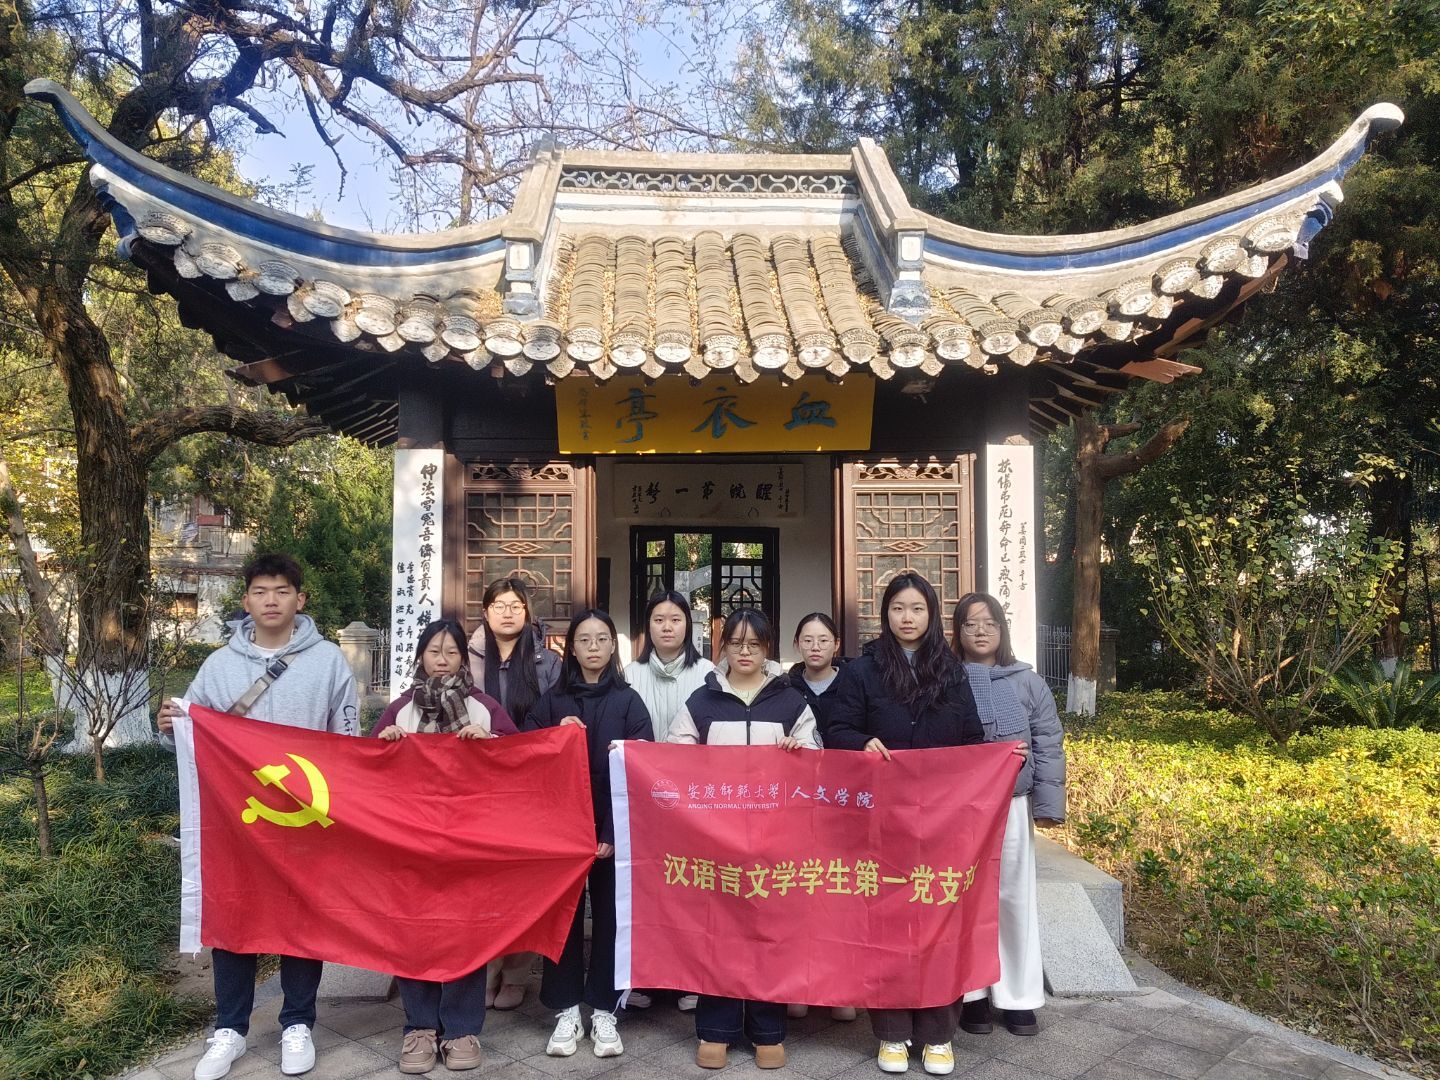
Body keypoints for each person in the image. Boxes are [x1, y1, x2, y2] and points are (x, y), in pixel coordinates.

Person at [156, 553, 358, 1080]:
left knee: (301, 914)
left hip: (305, 815)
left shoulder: (329, 661)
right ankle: (230, 1029)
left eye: (282, 590)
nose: (272, 600)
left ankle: (298, 1023)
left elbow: (347, 740)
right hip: (236, 819)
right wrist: (171, 725)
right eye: (262, 591)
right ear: (246, 601)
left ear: (300, 599)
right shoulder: (219, 666)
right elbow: (191, 732)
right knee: (235, 912)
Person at [824, 571, 990, 1078]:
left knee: (940, 923)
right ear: (886, 615)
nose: (907, 618)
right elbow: (836, 728)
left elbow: (972, 739)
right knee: (887, 924)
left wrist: (1002, 761)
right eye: (898, 609)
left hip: (942, 821)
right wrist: (861, 743)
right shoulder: (862, 670)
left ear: (932, 614)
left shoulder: (952, 670)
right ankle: (892, 1032)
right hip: (881, 820)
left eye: (917, 609)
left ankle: (939, 1034)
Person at [668, 608, 818, 1070]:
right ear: (724, 647)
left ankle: (768, 1031)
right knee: (718, 934)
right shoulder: (702, 701)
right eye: (736, 643)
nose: (745, 652)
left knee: (769, 933)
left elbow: (818, 763)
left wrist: (799, 751)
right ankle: (716, 1029)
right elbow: (673, 759)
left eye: (754, 644)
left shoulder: (790, 702)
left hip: (775, 841)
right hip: (717, 840)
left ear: (767, 648)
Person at [372, 619, 518, 1074]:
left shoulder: (483, 707)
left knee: (464, 934)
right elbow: (365, 773)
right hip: (410, 844)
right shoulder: (401, 710)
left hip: (468, 844)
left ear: (463, 659)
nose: (442, 660)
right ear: (420, 656)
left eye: (451, 652)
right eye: (434, 651)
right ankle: (419, 1027)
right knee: (411, 933)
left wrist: (490, 743)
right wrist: (384, 747)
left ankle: (461, 1029)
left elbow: (521, 761)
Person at [524, 608, 652, 1060]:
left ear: (613, 646)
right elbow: (524, 752)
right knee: (563, 919)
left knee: (613, 920)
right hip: (561, 834)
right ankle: (565, 1011)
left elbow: (641, 772)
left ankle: (604, 1009)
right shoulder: (551, 702)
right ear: (571, 648)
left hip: (614, 832)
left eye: (601, 639)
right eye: (584, 639)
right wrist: (552, 734)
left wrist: (614, 831)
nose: (593, 647)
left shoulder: (630, 702)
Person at [951, 592, 1065, 1039]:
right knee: (966, 896)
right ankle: (973, 997)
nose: (981, 631)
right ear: (958, 632)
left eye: (990, 623)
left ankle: (1018, 997)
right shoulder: (945, 679)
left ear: (1002, 629)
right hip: (961, 809)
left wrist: (1049, 807)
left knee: (1014, 898)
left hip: (1013, 803)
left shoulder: (1028, 682)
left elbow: (1048, 743)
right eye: (971, 623)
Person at [466, 576, 562, 1009]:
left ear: (527, 612)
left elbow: (557, 716)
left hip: (529, 787)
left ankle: (517, 973)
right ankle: (484, 970)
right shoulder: (465, 658)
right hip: (475, 789)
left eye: (516, 606)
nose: (507, 613)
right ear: (485, 612)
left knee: (523, 884)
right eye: (499, 605)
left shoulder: (547, 662)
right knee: (483, 883)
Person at [622, 590, 715, 1011]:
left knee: (692, 886)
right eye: (658, 619)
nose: (667, 627)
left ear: (688, 625)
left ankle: (691, 978)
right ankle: (645, 978)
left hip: (696, 800)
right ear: (648, 626)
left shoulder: (708, 673)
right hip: (644, 797)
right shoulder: (630, 673)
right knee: (647, 885)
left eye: (675, 619)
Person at [782, 611, 857, 1024]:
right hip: (797, 806)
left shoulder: (855, 683)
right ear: (797, 644)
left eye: (823, 640)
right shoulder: (783, 687)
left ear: (836, 645)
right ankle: (800, 986)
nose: (815, 647)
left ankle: (841, 988)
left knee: (841, 894)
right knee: (800, 893)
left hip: (846, 805)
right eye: (807, 640)